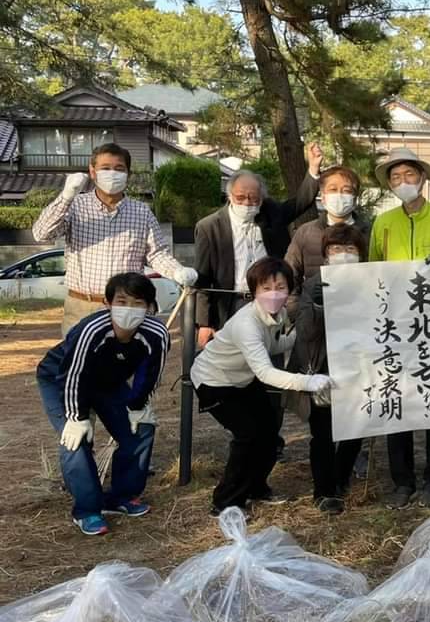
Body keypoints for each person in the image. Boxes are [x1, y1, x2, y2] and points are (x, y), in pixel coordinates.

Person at [190, 257, 332, 515]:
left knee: (269, 433)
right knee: (247, 436)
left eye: (280, 287)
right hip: (215, 381)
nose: (274, 294)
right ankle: (225, 502)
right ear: (253, 291)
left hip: (242, 380)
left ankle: (256, 487)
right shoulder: (247, 323)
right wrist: (308, 382)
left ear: (289, 289)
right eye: (266, 288)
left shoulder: (276, 316)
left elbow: (271, 346)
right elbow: (265, 372)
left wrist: (300, 336)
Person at [368, 147, 430, 509]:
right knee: (398, 399)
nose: (403, 182)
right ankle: (401, 481)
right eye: (396, 178)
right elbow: (372, 270)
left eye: (409, 175)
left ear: (422, 178)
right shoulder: (383, 223)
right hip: (394, 325)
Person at [36, 272, 169, 535]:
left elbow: (149, 374)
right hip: (61, 379)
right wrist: (76, 416)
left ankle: (121, 497)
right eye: (121, 301)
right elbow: (72, 375)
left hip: (109, 383)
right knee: (75, 438)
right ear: (108, 303)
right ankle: (87, 509)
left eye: (138, 303)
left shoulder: (157, 334)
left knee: (140, 429)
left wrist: (138, 406)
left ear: (150, 307)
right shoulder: (90, 331)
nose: (129, 310)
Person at [31, 142, 198, 334]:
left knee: (129, 361)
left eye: (119, 169)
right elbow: (41, 234)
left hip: (128, 306)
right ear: (92, 172)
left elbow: (157, 254)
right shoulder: (75, 206)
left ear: (128, 174)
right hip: (83, 305)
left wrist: (177, 271)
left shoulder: (141, 212)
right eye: (105, 168)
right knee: (83, 362)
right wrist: (66, 196)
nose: (112, 173)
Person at [194, 142, 322, 347]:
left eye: (254, 199)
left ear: (262, 198)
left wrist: (313, 170)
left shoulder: (271, 213)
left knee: (271, 357)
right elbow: (202, 279)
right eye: (241, 197)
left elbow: (299, 203)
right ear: (229, 196)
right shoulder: (209, 227)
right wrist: (204, 322)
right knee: (232, 365)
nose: (247, 203)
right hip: (230, 305)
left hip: (268, 302)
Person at [293, 225, 369, 514]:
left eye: (350, 250)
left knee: (355, 428)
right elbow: (304, 332)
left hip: (359, 368)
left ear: (361, 254)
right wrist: (319, 305)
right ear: (325, 255)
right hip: (323, 367)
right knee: (323, 432)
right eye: (336, 249)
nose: (343, 255)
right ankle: (323, 491)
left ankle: (341, 478)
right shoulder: (315, 284)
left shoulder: (372, 282)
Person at [285, 164, 368, 300]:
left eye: (346, 191)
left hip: (360, 310)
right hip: (315, 312)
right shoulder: (305, 232)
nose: (339, 195)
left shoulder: (369, 231)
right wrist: (295, 311)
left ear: (355, 199)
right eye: (333, 189)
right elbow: (289, 275)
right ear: (323, 197)